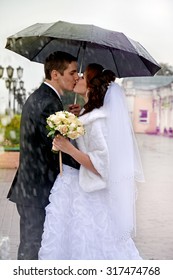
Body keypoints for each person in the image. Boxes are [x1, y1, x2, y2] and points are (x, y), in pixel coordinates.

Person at [38, 63, 145, 260]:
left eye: (83, 76)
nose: (77, 77)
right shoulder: (90, 114)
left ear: (91, 86)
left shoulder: (97, 120)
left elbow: (101, 167)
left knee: (93, 246)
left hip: (93, 196)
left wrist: (68, 148)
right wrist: (76, 117)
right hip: (86, 190)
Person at [7, 51, 81, 260]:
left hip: (32, 187)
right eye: (72, 72)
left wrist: (67, 118)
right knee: (32, 247)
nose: (76, 77)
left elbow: (48, 140)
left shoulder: (46, 99)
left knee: (34, 245)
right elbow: (55, 148)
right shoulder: (47, 103)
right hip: (36, 190)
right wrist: (91, 166)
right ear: (55, 74)